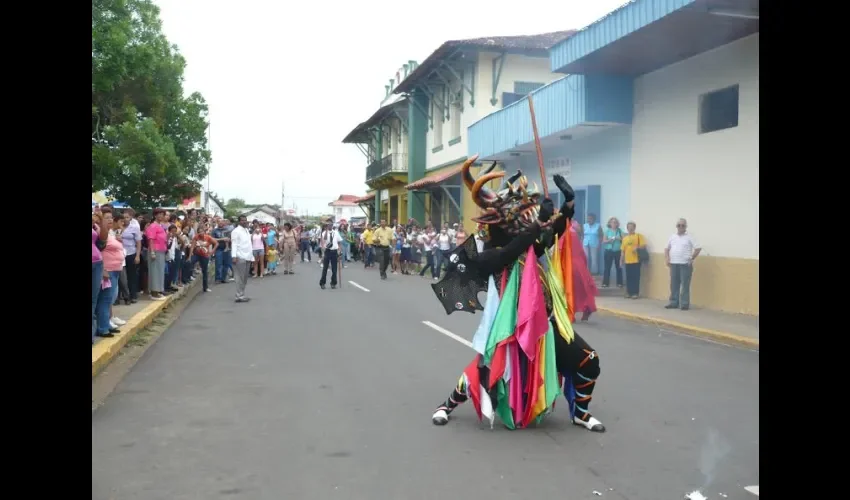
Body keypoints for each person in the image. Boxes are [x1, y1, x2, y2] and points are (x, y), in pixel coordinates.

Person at [430, 156, 605, 433]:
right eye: (520, 213)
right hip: (510, 333)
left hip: (544, 327)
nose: (529, 216)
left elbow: (553, 232)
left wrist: (569, 205)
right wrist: (540, 223)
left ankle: (581, 414)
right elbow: (512, 251)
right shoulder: (489, 254)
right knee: (482, 375)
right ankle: (446, 405)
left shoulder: (531, 243)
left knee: (589, 361)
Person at [664, 218, 701, 310]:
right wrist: (667, 258)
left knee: (685, 285)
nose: (681, 227)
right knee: (674, 284)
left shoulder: (690, 236)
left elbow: (698, 248)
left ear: (686, 227)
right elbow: (666, 248)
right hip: (673, 264)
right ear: (676, 226)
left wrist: (692, 258)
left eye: (683, 225)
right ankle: (673, 302)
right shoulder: (672, 236)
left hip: (685, 264)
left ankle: (684, 304)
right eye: (679, 225)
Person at [230, 216, 254, 303]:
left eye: (245, 220)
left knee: (244, 278)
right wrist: (234, 256)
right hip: (239, 256)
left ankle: (242, 294)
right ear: (239, 221)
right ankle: (239, 295)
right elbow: (234, 244)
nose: (244, 222)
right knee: (239, 277)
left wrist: (251, 256)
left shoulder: (246, 230)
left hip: (248, 256)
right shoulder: (236, 231)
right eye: (242, 220)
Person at [191, 226, 218, 292]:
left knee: (205, 271)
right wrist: (191, 253)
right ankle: (189, 276)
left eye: (202, 231)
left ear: (204, 231)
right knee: (190, 262)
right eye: (199, 232)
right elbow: (192, 246)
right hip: (197, 254)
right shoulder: (196, 237)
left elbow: (216, 243)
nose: (200, 233)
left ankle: (205, 287)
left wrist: (212, 252)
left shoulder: (208, 237)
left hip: (205, 255)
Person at [319, 224, 343, 289]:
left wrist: (340, 250)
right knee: (325, 268)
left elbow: (340, 242)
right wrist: (326, 231)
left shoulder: (336, 232)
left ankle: (333, 283)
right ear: (326, 226)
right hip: (327, 251)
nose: (330, 226)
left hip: (334, 251)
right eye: (328, 225)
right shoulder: (324, 233)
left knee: (334, 269)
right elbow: (325, 239)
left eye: (331, 225)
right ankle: (322, 283)